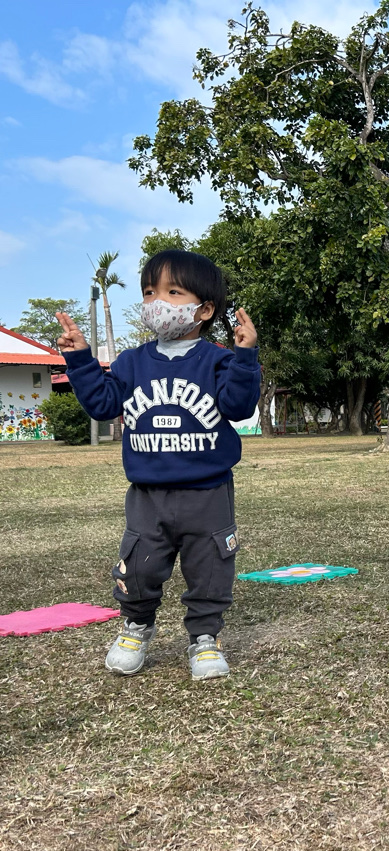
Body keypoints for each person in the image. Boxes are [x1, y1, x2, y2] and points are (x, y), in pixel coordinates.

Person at [56, 250, 261, 680]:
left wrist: (245, 357)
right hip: (148, 494)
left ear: (205, 309)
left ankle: (204, 637)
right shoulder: (132, 362)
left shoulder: (218, 360)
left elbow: (239, 407)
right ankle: (136, 626)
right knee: (140, 564)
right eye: (149, 292)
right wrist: (81, 360)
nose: (157, 302)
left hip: (208, 492)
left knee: (210, 568)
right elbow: (103, 404)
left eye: (172, 292)